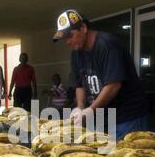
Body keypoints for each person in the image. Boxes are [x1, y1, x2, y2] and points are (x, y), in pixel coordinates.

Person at [53, 9, 148, 140]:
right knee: (103, 156)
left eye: (70, 35)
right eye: (64, 38)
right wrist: (80, 108)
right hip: (102, 116)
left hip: (126, 117)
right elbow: (79, 84)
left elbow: (114, 84)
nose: (67, 41)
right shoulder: (76, 52)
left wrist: (91, 109)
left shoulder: (107, 45)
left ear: (83, 28)